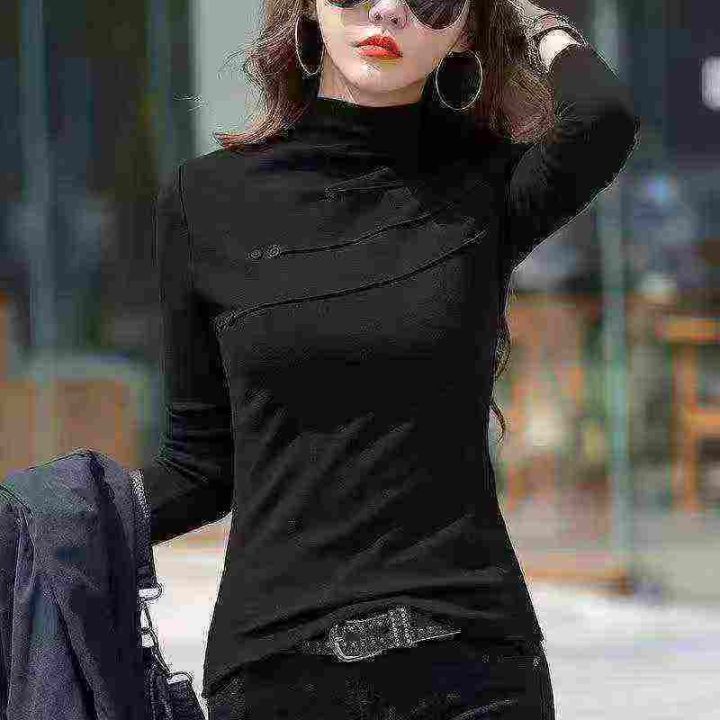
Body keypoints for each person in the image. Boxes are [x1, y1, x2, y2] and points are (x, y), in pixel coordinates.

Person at [135, 0, 640, 717]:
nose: (389, 9)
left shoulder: (484, 185)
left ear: (465, 29)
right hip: (279, 671)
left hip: (474, 663)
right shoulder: (205, 200)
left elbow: (602, 117)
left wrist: (526, 20)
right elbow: (200, 468)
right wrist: (54, 519)